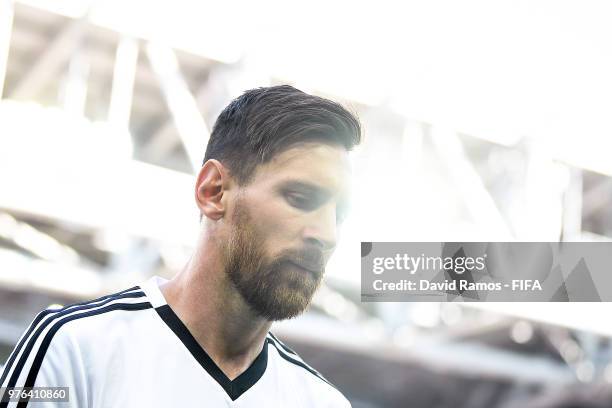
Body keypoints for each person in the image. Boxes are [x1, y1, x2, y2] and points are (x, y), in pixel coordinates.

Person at [0, 85, 362, 407]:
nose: (327, 235)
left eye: (339, 215)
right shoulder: (74, 350)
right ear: (213, 192)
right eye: (300, 198)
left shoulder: (322, 401)